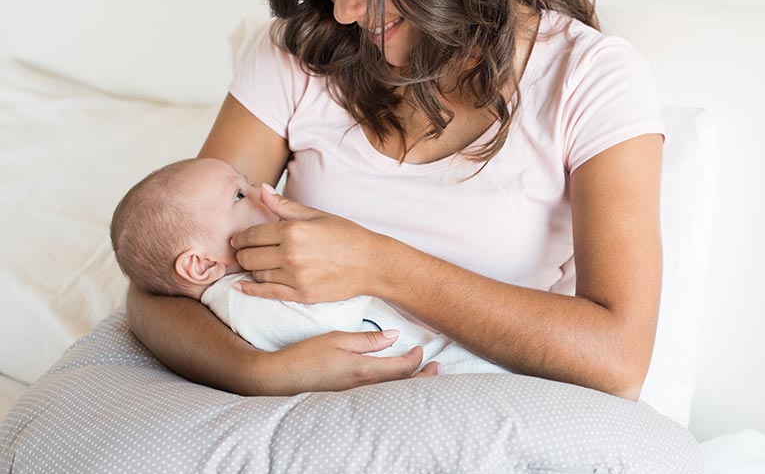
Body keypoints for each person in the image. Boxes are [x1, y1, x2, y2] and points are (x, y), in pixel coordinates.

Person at [126, 0, 665, 399]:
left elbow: (619, 359)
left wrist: (380, 265)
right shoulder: (299, 53)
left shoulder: (590, 79)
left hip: (477, 412)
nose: (342, 9)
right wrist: (263, 373)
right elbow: (160, 280)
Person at [110, 156, 501, 376]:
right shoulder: (244, 298)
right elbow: (326, 322)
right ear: (200, 265)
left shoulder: (248, 280)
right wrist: (351, 262)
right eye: (240, 195)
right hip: (427, 366)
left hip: (427, 350)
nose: (266, 192)